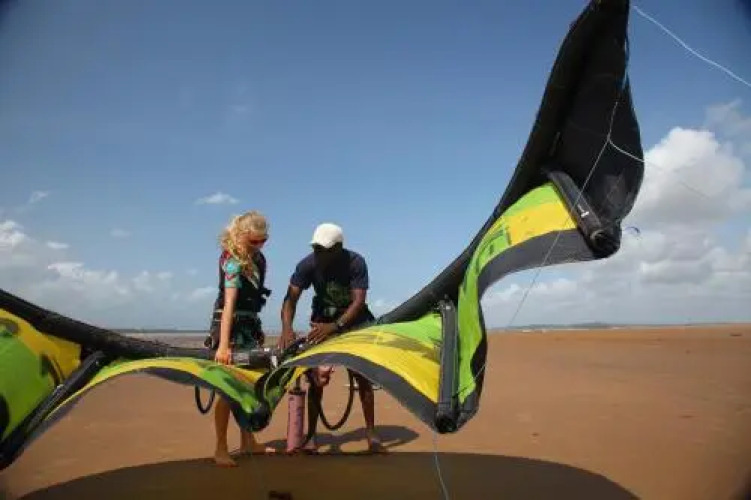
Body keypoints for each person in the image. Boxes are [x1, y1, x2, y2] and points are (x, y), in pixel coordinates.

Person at [279, 222, 384, 453]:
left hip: (353, 322)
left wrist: (336, 327)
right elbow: (290, 299)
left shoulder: (356, 262)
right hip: (322, 320)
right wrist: (286, 328)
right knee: (316, 378)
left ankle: (371, 433)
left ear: (338, 248)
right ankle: (311, 436)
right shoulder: (307, 264)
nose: (318, 253)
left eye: (323, 249)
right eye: (315, 248)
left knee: (362, 376)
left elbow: (358, 302)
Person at [208, 210, 276, 467]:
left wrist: (257, 330)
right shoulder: (232, 260)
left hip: (250, 325)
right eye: (254, 241)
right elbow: (229, 304)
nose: (259, 246)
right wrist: (224, 345)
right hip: (230, 325)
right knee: (227, 389)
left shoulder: (260, 259)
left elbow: (253, 300)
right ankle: (221, 447)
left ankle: (248, 441)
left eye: (263, 241)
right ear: (242, 235)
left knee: (248, 385)